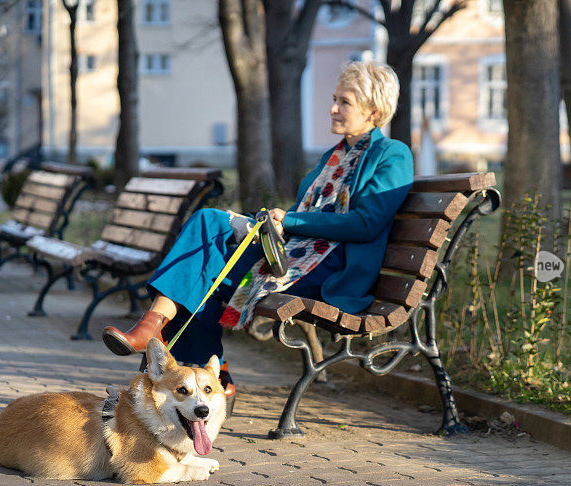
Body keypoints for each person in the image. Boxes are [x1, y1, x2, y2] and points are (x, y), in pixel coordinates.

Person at [101, 61, 414, 407]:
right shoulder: (334, 156)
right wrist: (264, 223)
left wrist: (290, 221)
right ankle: (158, 332)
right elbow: (306, 219)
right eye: (334, 98)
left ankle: (180, 353)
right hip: (295, 253)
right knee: (209, 223)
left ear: (372, 111)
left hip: (329, 268)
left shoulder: (392, 155)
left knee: (205, 274)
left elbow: (364, 224)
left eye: (344, 102)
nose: (333, 108)